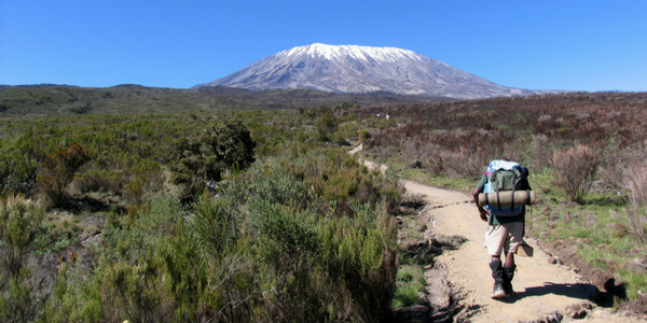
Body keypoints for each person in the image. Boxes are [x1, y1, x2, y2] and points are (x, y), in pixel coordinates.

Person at [472, 159, 531, 299]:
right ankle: (508, 287)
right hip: (517, 218)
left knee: (495, 253)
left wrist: (480, 209)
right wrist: (523, 223)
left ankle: (498, 285)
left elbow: (475, 193)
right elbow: (525, 199)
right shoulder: (519, 173)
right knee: (509, 253)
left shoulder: (490, 172)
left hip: (496, 219)